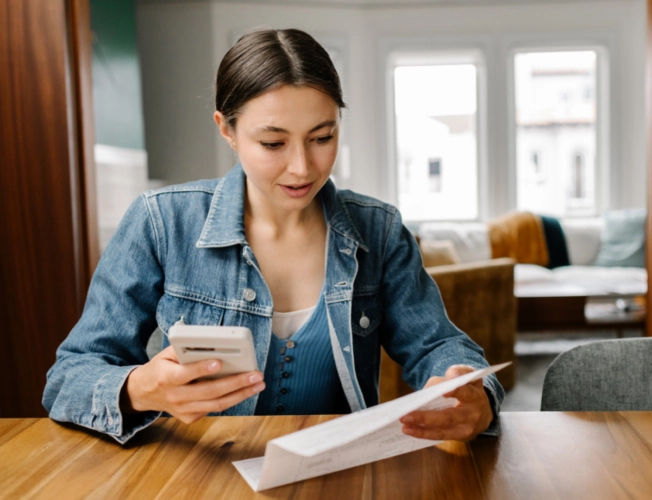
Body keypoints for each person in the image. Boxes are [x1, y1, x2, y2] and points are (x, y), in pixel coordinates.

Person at [43, 28, 504, 444]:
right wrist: (138, 389)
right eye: (272, 143)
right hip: (194, 478)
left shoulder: (378, 230)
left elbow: (439, 345)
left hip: (339, 474)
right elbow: (68, 378)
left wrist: (472, 393)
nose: (302, 167)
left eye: (322, 137)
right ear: (227, 129)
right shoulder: (161, 222)